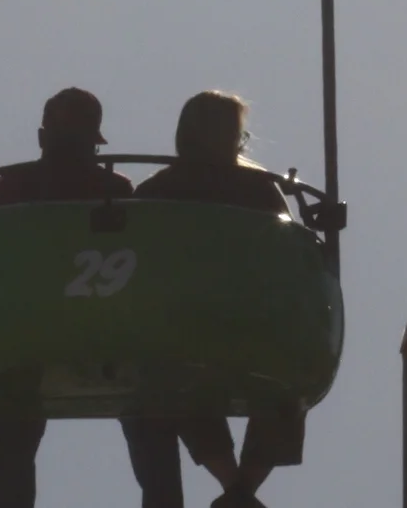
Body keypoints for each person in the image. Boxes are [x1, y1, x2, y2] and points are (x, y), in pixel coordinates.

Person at [0, 89, 183, 508]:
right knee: (147, 416)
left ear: (42, 137)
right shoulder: (115, 189)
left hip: (30, 327)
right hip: (107, 322)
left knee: (12, 427)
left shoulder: (5, 192)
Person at [124, 90, 306, 505]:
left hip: (181, 323)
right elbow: (288, 250)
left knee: (184, 380)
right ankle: (242, 490)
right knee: (284, 381)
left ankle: (235, 487)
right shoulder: (259, 188)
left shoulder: (156, 190)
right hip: (245, 320)